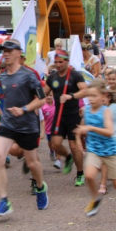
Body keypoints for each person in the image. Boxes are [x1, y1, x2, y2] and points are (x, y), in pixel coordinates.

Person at [0, 39, 47, 217]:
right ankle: (4, 201)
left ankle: (41, 188)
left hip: (27, 124)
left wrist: (24, 109)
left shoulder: (29, 75)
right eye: (4, 50)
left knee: (33, 163)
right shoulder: (2, 75)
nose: (6, 53)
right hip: (8, 123)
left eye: (10, 50)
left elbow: (41, 99)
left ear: (19, 53)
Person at [76, 79, 116, 221]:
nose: (91, 99)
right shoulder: (86, 110)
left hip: (110, 152)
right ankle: (95, 199)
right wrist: (79, 138)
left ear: (103, 96)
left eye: (94, 96)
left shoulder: (107, 111)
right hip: (94, 150)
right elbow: (82, 126)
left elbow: (110, 132)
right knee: (89, 176)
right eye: (89, 96)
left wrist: (90, 128)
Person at [43, 49, 88, 185]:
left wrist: (71, 96)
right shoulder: (52, 77)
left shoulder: (75, 75)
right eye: (56, 62)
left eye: (60, 62)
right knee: (55, 144)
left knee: (74, 146)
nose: (58, 65)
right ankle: (68, 157)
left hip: (73, 115)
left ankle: (80, 173)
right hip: (59, 116)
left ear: (67, 61)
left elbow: (85, 91)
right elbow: (43, 93)